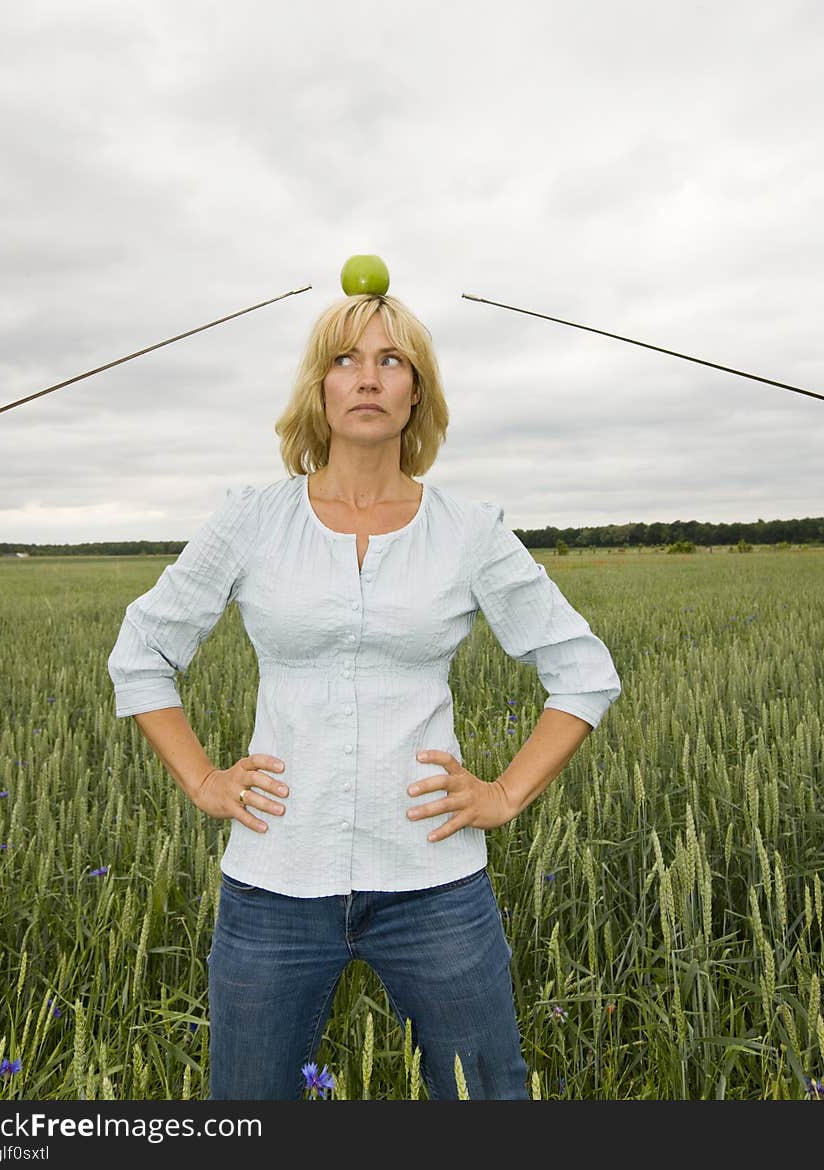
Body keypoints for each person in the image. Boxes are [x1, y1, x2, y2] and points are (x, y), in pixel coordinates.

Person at [106, 290, 621, 1101]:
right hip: (275, 877)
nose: (368, 378)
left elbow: (584, 670)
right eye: (345, 360)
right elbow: (141, 653)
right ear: (319, 389)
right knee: (247, 1109)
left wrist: (504, 792)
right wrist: (204, 781)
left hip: (435, 882)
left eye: (391, 360)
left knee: (488, 1097)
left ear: (418, 390)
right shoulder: (251, 520)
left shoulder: (468, 530)